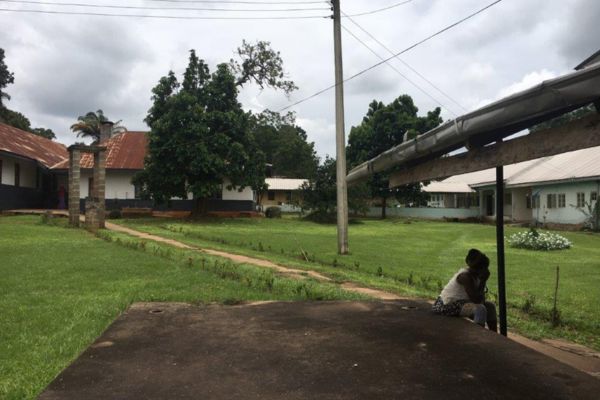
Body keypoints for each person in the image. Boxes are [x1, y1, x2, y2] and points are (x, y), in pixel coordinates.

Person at [432, 249, 498, 332]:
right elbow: (476, 300)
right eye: (482, 268)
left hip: (461, 303)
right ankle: (477, 337)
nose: (485, 270)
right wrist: (483, 281)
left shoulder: (476, 276)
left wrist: (482, 281)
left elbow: (481, 299)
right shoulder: (465, 277)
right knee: (480, 309)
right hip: (445, 305)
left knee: (490, 306)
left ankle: (496, 336)